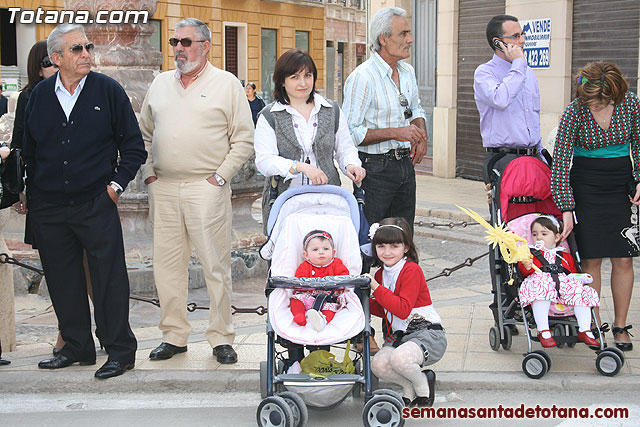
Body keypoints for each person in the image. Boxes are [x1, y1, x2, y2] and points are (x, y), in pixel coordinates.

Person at [22, 24, 146, 378]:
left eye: (88, 47)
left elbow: (134, 148)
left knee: (109, 279)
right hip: (49, 205)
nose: (87, 54)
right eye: (77, 49)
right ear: (56, 58)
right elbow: (30, 151)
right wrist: (31, 195)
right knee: (62, 279)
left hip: (96, 201)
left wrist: (114, 188)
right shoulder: (40, 96)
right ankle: (77, 347)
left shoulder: (109, 91)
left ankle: (120, 350)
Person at [140, 18, 254, 364]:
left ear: (205, 46)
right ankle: (173, 336)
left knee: (215, 264)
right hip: (164, 186)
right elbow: (142, 133)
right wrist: (147, 173)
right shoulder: (159, 84)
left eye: (186, 42)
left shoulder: (227, 84)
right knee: (167, 266)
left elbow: (244, 138)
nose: (179, 49)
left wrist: (220, 177)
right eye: (175, 41)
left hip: (207, 186)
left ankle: (221, 337)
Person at [9, 40, 92, 357]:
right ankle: (67, 334)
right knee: (60, 271)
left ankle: (106, 329)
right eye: (48, 60)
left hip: (84, 199)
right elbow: (20, 149)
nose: (54, 66)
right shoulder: (30, 98)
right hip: (47, 198)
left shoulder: (86, 92)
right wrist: (20, 192)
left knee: (91, 269)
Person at [551, 60, 640, 351]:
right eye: (591, 103)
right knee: (590, 261)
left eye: (601, 103)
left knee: (623, 258)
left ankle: (621, 326)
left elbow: (639, 145)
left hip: (619, 186)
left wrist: (639, 178)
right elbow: (561, 163)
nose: (595, 108)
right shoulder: (574, 112)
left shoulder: (630, 105)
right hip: (586, 186)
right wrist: (566, 207)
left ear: (615, 95)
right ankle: (595, 324)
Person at [254, 48, 365, 228]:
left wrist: (351, 165)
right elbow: (264, 161)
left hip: (329, 200)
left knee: (327, 252)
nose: (303, 83)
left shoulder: (331, 110)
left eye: (308, 75)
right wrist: (299, 167)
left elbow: (345, 149)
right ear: (282, 81)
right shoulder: (269, 116)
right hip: (286, 203)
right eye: (295, 77)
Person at [342, 7, 427, 235]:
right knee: (372, 240)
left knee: (403, 239)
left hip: (405, 166)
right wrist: (396, 133)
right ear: (383, 39)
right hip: (374, 170)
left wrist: (421, 134)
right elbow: (350, 133)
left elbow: (416, 108)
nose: (410, 39)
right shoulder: (362, 78)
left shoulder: (407, 71)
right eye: (403, 34)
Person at [366, 217, 446, 408]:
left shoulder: (412, 270)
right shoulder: (380, 274)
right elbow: (385, 308)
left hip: (427, 333)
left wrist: (376, 288)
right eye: (381, 246)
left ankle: (423, 388)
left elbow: (402, 310)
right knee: (378, 365)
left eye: (394, 246)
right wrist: (358, 301)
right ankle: (408, 388)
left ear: (406, 248)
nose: (387, 252)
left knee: (399, 359)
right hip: (399, 337)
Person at [473, 14, 543, 184]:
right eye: (515, 37)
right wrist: (518, 63)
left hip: (534, 158)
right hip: (504, 159)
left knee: (537, 211)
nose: (522, 41)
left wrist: (542, 155)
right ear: (498, 42)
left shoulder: (528, 73)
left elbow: (533, 117)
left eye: (522, 34)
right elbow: (500, 99)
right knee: (506, 211)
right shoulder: (484, 73)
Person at [517, 216, 600, 347]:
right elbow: (524, 272)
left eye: (544, 234)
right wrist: (526, 265)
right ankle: (543, 330)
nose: (538, 237)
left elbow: (571, 273)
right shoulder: (529, 254)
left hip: (562, 285)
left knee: (582, 290)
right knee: (541, 285)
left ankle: (585, 329)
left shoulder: (564, 255)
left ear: (556, 237)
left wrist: (580, 278)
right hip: (540, 282)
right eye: (534, 234)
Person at [292, 230, 349, 331]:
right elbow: (299, 281)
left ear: (333, 252)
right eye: (315, 250)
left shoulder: (336, 264)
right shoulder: (305, 266)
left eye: (326, 249)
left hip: (329, 297)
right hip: (308, 296)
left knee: (331, 308)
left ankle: (322, 320)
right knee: (297, 299)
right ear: (306, 255)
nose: (321, 252)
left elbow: (345, 277)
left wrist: (335, 282)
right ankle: (299, 315)